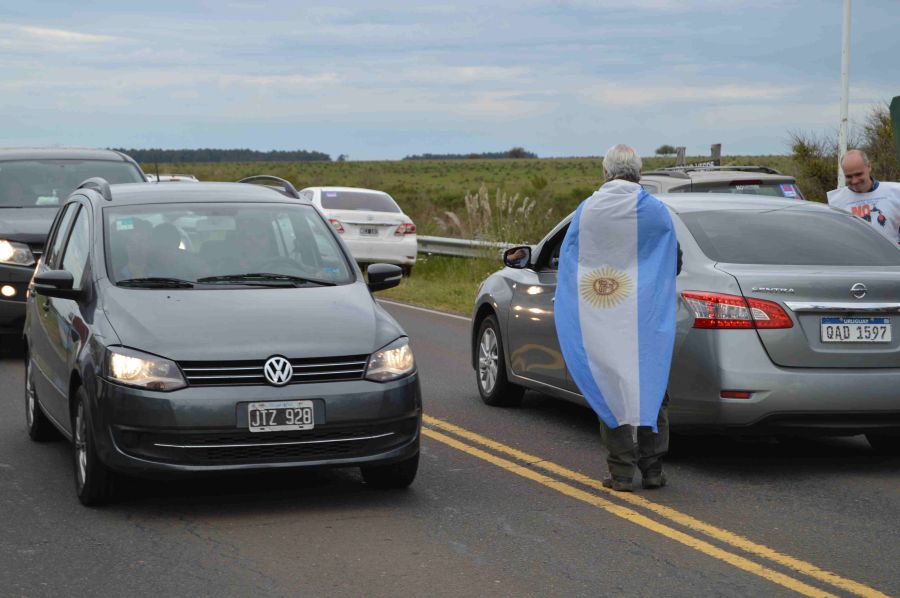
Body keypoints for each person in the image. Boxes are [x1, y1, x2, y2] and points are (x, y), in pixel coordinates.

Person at [554, 144, 681, 493]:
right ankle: (653, 469)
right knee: (651, 386)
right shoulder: (656, 211)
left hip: (603, 313)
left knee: (611, 388)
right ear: (639, 173)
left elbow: (570, 261)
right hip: (646, 316)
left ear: (606, 173)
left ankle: (621, 472)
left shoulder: (588, 210)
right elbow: (674, 261)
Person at [827, 149, 900, 247]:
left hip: (890, 255)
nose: (854, 181)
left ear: (869, 166)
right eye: (849, 176)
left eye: (858, 174)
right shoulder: (834, 201)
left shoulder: (896, 192)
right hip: (856, 255)